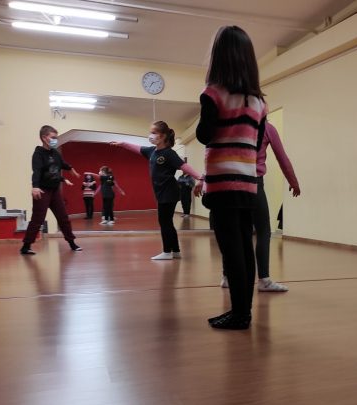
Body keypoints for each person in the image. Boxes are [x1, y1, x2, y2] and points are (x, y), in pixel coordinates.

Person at [197, 25, 267, 330]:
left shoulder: (213, 93)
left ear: (219, 56)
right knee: (244, 246)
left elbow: (204, 135)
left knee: (231, 249)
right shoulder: (259, 102)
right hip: (248, 184)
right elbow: (257, 142)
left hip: (223, 182)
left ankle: (239, 314)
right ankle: (243, 311)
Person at [219, 120, 301, 292]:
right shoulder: (267, 128)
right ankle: (264, 279)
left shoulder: (233, 125)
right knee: (264, 231)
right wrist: (293, 181)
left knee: (234, 231)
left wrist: (206, 180)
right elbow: (282, 157)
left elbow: (219, 154)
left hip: (231, 183)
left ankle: (227, 277)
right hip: (254, 183)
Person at [111, 122, 203, 259]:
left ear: (163, 136)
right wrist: (122, 143)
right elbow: (136, 148)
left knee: (164, 222)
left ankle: (167, 252)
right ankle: (176, 251)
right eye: (151, 132)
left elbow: (184, 166)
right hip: (161, 192)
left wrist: (200, 178)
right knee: (167, 222)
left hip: (169, 191)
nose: (151, 135)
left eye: (154, 133)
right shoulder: (152, 151)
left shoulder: (169, 153)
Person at [20, 125, 82, 255]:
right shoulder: (38, 154)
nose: (55, 140)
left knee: (63, 217)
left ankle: (72, 243)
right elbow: (36, 171)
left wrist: (71, 169)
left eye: (56, 137)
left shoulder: (55, 153)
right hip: (42, 191)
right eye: (53, 137)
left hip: (54, 191)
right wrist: (35, 186)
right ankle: (26, 246)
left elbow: (62, 164)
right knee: (38, 219)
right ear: (44, 138)